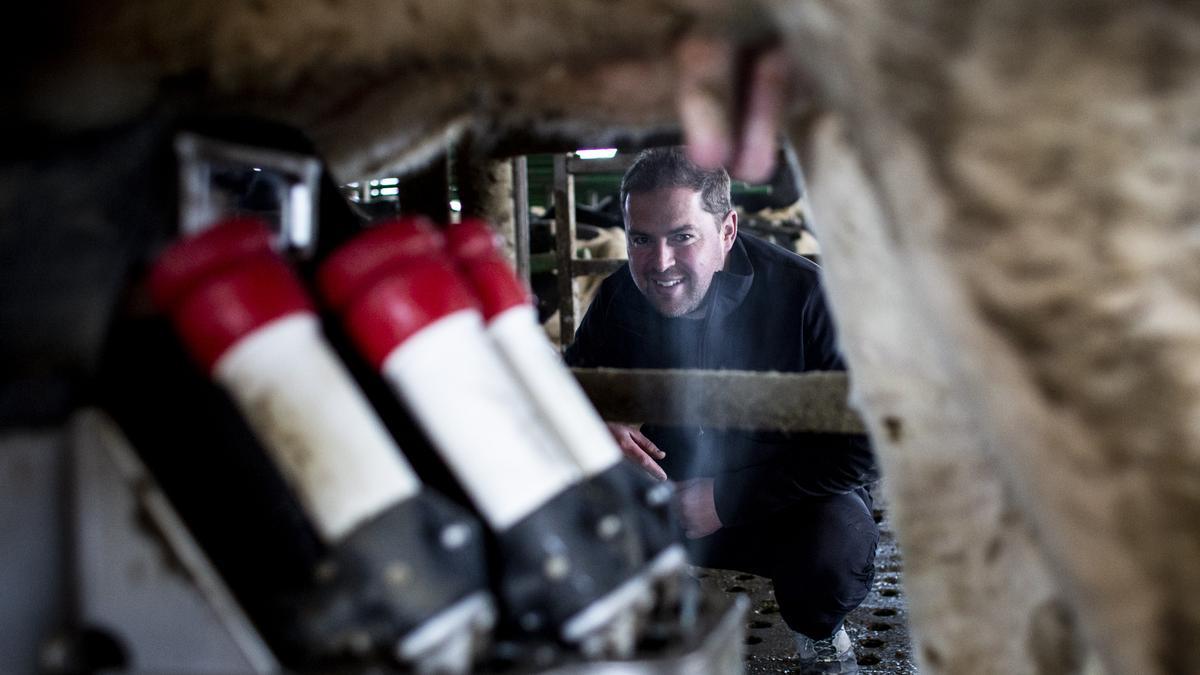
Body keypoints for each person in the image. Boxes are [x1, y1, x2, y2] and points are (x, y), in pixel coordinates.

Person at [565, 147, 879, 674]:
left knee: (838, 541)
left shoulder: (808, 296)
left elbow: (867, 447)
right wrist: (600, 419)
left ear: (727, 230)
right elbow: (569, 388)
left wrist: (725, 498)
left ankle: (820, 636)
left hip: (781, 500)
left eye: (682, 236)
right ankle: (663, 605)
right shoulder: (620, 297)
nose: (659, 263)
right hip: (664, 493)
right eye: (641, 239)